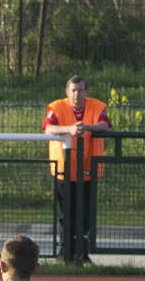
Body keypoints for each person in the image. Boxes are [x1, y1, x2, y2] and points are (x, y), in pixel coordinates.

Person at [43, 76, 110, 263]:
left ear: (86, 92)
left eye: (80, 90)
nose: (76, 94)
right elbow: (48, 128)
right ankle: (65, 253)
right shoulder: (57, 107)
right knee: (65, 214)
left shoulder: (96, 107)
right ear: (67, 92)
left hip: (87, 170)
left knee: (85, 214)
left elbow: (105, 124)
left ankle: (82, 253)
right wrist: (69, 129)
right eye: (73, 90)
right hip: (64, 170)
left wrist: (86, 127)